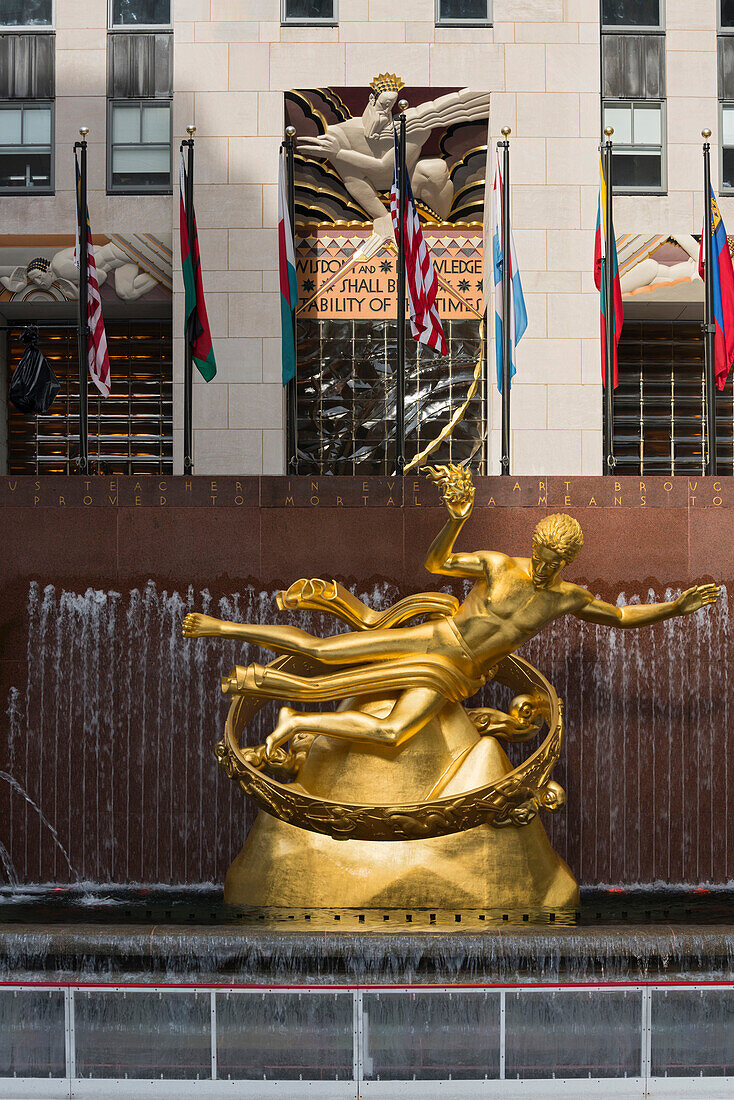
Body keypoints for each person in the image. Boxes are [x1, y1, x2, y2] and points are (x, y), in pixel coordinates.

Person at [182, 465, 720, 759]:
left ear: (567, 560)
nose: (544, 564)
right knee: (323, 650)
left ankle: (296, 720)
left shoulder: (567, 598)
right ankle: (222, 628)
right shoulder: (498, 564)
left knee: (394, 734)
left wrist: (677, 605)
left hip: (457, 676)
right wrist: (457, 517)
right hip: (435, 640)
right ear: (534, 544)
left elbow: (621, 618)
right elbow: (435, 561)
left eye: (556, 560)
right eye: (541, 553)